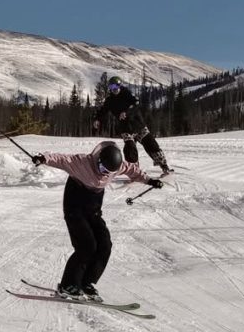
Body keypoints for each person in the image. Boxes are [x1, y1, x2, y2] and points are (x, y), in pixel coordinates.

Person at [31, 140, 162, 301]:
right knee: (86, 246)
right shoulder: (83, 162)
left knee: (105, 244)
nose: (104, 173)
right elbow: (61, 159)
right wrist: (42, 158)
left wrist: (149, 180)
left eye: (108, 172)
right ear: (98, 160)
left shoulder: (117, 166)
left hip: (93, 209)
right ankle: (67, 285)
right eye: (102, 168)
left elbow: (132, 170)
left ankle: (86, 282)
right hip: (75, 207)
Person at [93, 73, 171, 175]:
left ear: (119, 85)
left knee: (151, 144)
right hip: (125, 128)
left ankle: (164, 167)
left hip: (138, 125)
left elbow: (136, 105)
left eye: (115, 86)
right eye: (111, 87)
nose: (114, 89)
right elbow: (102, 111)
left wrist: (126, 112)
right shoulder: (110, 101)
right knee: (130, 149)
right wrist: (97, 119)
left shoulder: (126, 94)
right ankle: (134, 172)